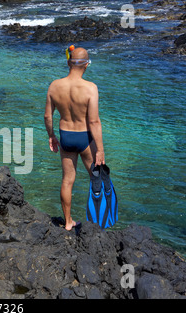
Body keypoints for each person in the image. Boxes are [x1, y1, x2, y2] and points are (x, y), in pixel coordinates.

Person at [44, 46, 105, 231]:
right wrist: (100, 149)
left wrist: (51, 136)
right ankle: (97, 224)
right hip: (85, 137)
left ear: (68, 63)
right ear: (86, 65)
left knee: (67, 180)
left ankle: (68, 222)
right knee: (97, 180)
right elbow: (93, 121)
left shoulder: (54, 85)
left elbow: (47, 116)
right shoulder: (90, 88)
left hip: (66, 136)